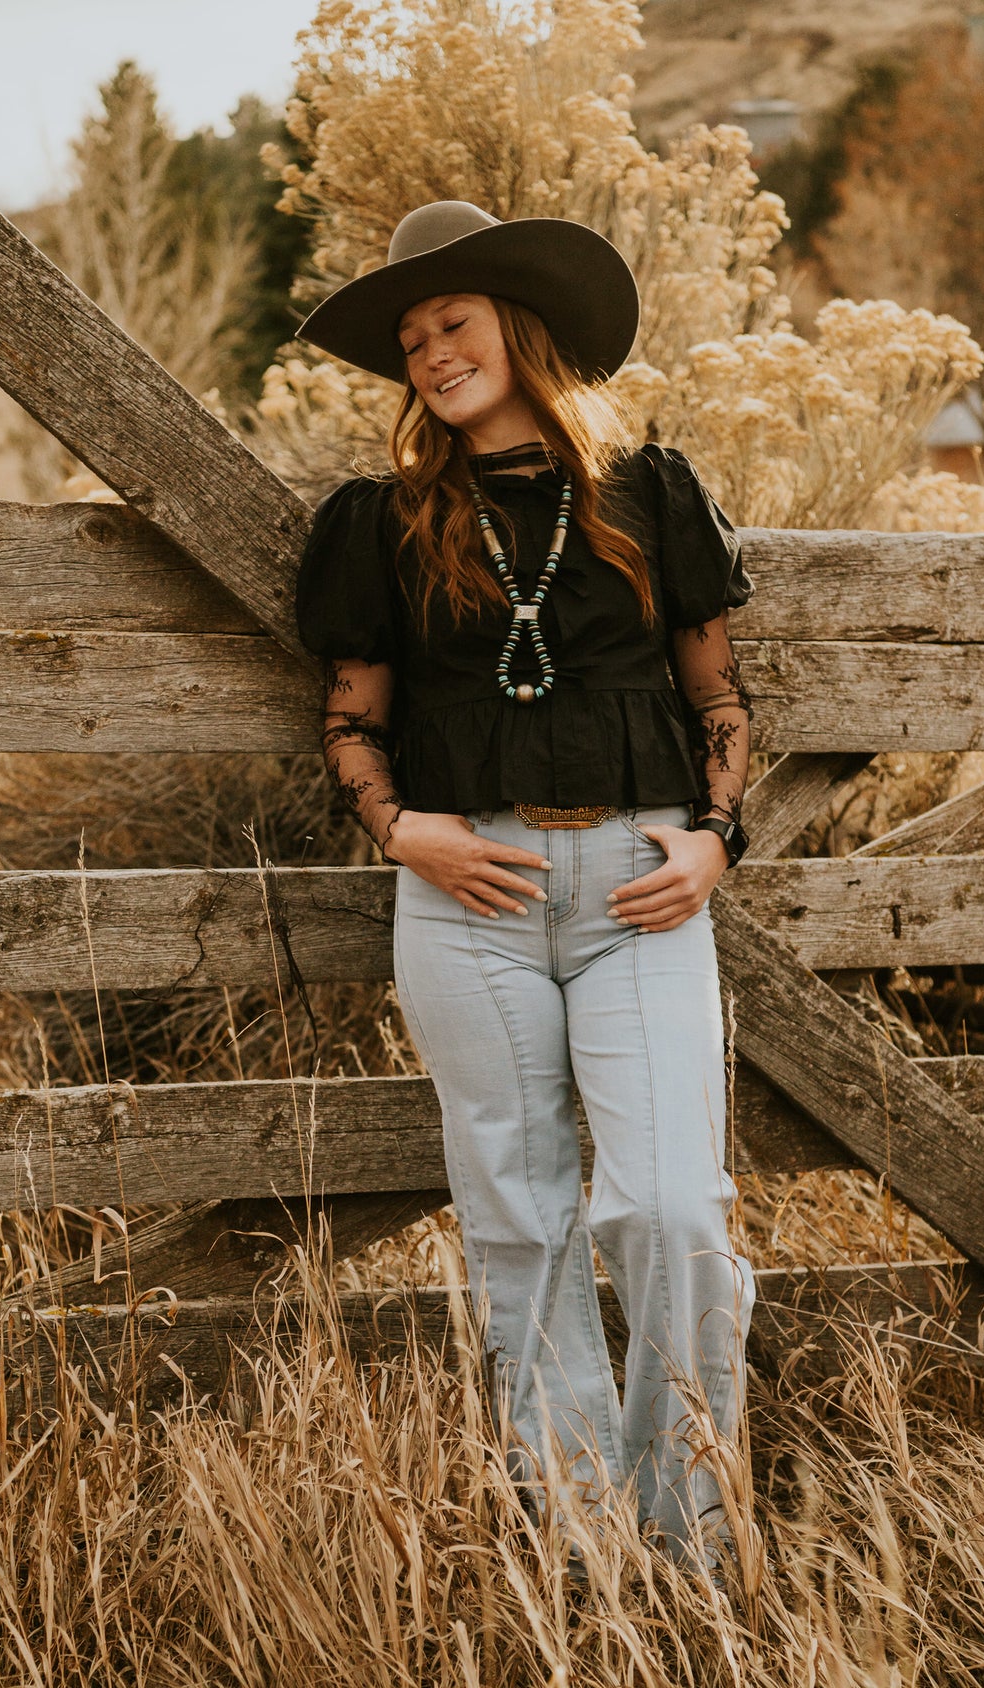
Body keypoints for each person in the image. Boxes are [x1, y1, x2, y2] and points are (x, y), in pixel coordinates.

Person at [293, 201, 756, 1574]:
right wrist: (402, 831)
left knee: (670, 1208)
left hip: (637, 887)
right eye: (412, 338)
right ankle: (582, 1550)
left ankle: (693, 1544)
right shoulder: (382, 521)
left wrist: (717, 839)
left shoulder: (651, 494)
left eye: (455, 321)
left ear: (519, 325)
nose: (432, 352)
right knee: (522, 1221)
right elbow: (349, 719)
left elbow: (720, 696)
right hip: (466, 901)